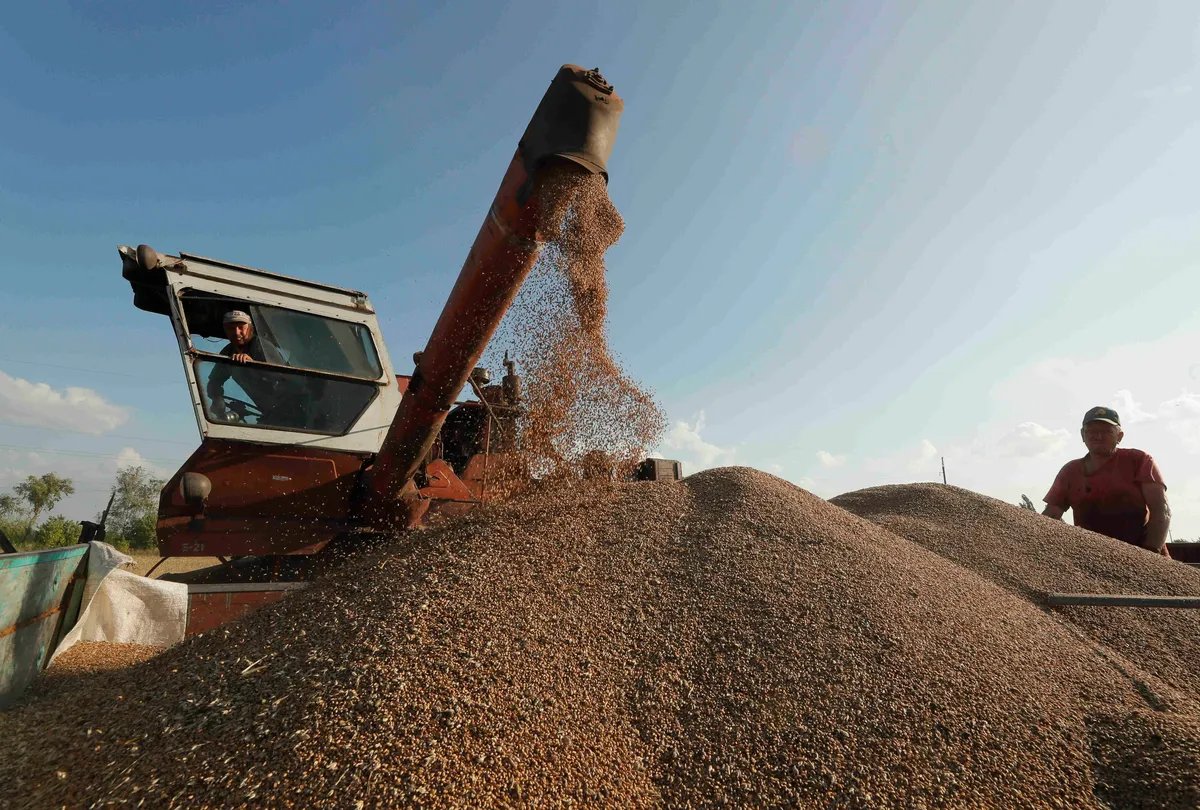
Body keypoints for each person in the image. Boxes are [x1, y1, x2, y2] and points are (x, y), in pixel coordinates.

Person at [1042, 406, 1171, 556]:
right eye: (1091, 431)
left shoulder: (1139, 461)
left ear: (1120, 436)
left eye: (1106, 431)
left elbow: (1161, 511)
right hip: (1092, 556)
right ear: (1082, 435)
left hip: (1142, 553)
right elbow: (1051, 514)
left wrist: (1150, 554)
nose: (1098, 436)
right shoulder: (1070, 471)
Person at [205, 310, 292, 424]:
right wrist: (216, 398)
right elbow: (214, 380)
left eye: (241, 327)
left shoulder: (261, 345)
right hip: (268, 411)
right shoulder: (228, 352)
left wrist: (253, 365)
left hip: (289, 407)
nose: (236, 332)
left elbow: (283, 377)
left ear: (250, 328)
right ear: (225, 330)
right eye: (231, 328)